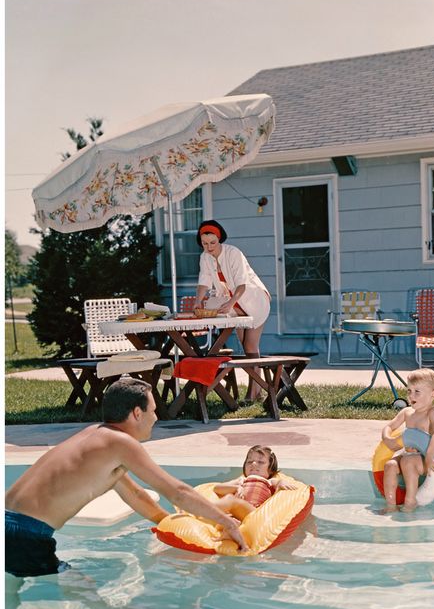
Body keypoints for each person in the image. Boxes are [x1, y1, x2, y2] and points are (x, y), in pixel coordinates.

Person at [5, 377, 248, 578]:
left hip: (11, 526)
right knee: (84, 595)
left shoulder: (96, 437)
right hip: (26, 535)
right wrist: (227, 522)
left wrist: (177, 526)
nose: (156, 418)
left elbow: (134, 494)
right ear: (136, 413)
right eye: (153, 411)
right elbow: (177, 492)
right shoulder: (120, 442)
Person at [194, 220, 271, 401]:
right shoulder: (205, 257)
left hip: (253, 300)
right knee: (246, 348)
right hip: (232, 304)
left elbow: (241, 284)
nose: (209, 247)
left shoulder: (233, 253)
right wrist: (198, 300)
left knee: (250, 346)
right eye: (205, 243)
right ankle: (258, 390)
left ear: (219, 240)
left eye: (212, 242)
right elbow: (204, 281)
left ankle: (254, 392)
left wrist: (231, 303)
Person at [381, 368, 434, 512]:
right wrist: (386, 437)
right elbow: (389, 427)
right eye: (409, 391)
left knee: (408, 461)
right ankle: (390, 504)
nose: (411, 396)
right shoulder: (406, 412)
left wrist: (428, 457)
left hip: (425, 460)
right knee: (390, 465)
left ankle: (410, 501)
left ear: (432, 394)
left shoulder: (432, 413)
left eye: (417, 392)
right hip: (407, 455)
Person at [212, 445, 297, 522]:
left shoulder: (269, 481)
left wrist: (281, 482)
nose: (253, 464)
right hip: (238, 512)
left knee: (230, 499)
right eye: (249, 462)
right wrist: (236, 488)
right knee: (229, 509)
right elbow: (218, 488)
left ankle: (203, 510)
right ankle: (229, 527)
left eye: (260, 462)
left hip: (254, 512)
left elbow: (279, 482)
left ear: (271, 470)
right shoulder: (241, 480)